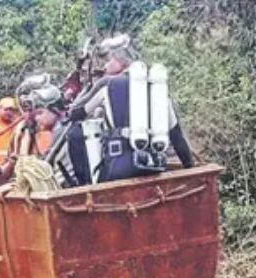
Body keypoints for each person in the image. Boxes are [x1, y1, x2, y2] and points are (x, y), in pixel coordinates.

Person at [66, 47, 195, 184]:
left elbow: (78, 112)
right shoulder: (157, 88)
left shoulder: (107, 84)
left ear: (120, 62)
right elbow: (177, 136)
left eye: (110, 60)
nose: (105, 65)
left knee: (75, 134)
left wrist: (75, 108)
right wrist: (190, 167)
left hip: (118, 167)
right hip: (154, 167)